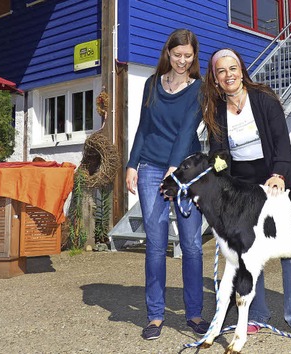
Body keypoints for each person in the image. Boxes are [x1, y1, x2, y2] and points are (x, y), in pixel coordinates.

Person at [201, 48, 291, 340]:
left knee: (290, 246)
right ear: (215, 79)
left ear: (241, 70)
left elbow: (281, 140)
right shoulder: (215, 110)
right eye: (221, 71)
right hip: (242, 183)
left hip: (276, 176)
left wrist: (278, 175)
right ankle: (255, 313)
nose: (228, 75)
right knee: (248, 251)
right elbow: (218, 151)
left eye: (233, 68)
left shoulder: (264, 98)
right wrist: (218, 167)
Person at [125, 28, 209, 340]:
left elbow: (188, 129)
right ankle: (156, 315)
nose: (182, 61)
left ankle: (195, 313)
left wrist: (174, 170)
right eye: (177, 55)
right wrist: (132, 165)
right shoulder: (151, 84)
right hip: (149, 168)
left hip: (184, 171)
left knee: (191, 244)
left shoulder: (199, 89)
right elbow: (144, 127)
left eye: (188, 56)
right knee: (156, 244)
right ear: (168, 53)